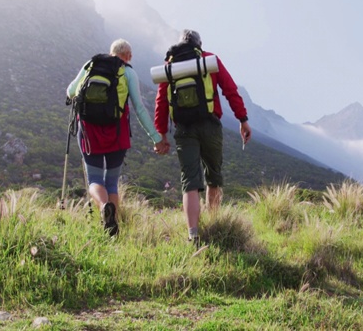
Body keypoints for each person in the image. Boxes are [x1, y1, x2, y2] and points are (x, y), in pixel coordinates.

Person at [154, 29, 252, 245]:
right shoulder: (209, 61)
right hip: (210, 126)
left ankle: (193, 234)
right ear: (199, 44)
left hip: (184, 129)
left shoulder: (170, 68)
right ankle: (214, 225)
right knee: (213, 176)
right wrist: (242, 119)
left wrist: (162, 134)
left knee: (190, 180)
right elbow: (230, 90)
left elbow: (161, 102)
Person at [67, 38, 169, 236]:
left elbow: (71, 91)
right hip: (116, 133)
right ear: (128, 56)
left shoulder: (91, 65)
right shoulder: (128, 72)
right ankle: (113, 229)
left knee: (95, 179)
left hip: (89, 133)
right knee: (112, 182)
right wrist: (156, 138)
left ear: (111, 51)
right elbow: (139, 108)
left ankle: (104, 206)